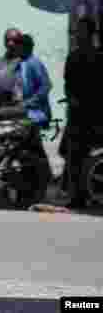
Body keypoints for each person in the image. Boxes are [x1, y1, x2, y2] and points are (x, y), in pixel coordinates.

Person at [63, 17, 101, 208]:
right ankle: (77, 196)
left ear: (90, 33)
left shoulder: (98, 56)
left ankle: (91, 192)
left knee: (93, 156)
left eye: (81, 31)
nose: (77, 34)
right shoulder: (73, 56)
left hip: (95, 113)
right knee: (74, 157)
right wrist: (71, 99)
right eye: (77, 31)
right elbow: (67, 84)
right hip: (77, 114)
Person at [17, 33, 52, 128]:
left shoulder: (34, 63)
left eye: (20, 46)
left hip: (38, 111)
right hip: (24, 110)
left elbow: (46, 86)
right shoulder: (20, 64)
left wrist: (29, 102)